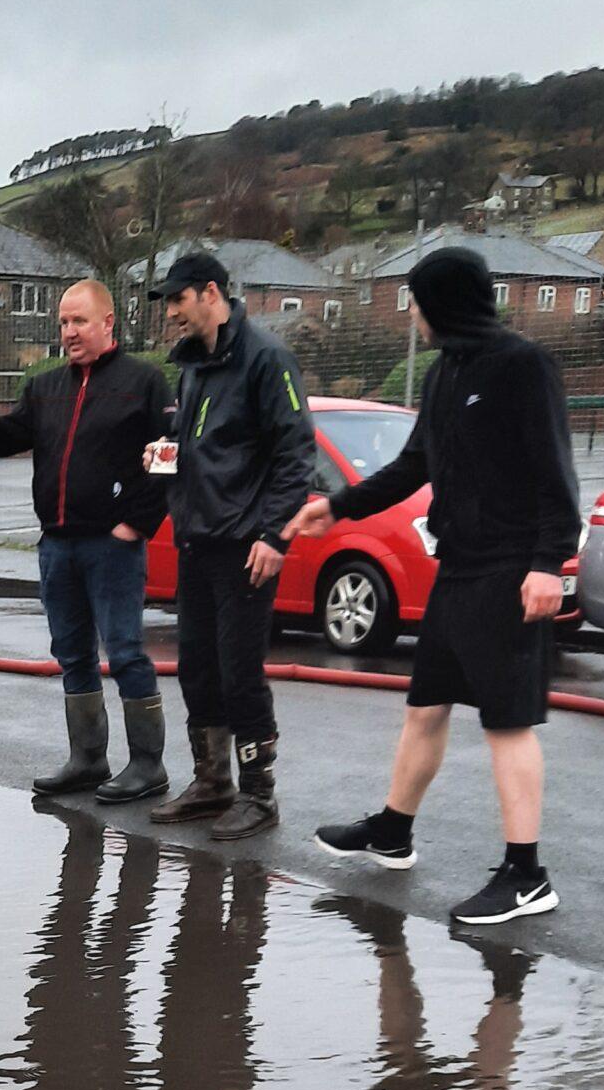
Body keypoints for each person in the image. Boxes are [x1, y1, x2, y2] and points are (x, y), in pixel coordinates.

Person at [302, 245, 580, 926]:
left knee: (507, 724)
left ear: (445, 302)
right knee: (425, 707)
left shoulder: (521, 366)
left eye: (420, 301)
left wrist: (549, 562)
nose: (415, 315)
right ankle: (393, 832)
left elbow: (556, 472)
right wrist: (338, 506)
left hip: (512, 571)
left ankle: (527, 875)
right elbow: (414, 464)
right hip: (457, 568)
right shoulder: (445, 373)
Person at [0, 282, 172, 801]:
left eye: (80, 322)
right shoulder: (46, 387)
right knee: (72, 653)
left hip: (113, 546)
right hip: (58, 546)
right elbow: (8, 438)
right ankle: (89, 759)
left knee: (125, 651)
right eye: (64, 323)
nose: (69, 332)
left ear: (108, 322)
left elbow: (169, 459)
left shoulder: (144, 383)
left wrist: (135, 525)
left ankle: (148, 765)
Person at [148, 253, 315, 839]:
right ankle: (212, 781)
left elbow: (297, 457)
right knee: (197, 665)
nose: (171, 313)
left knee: (240, 671)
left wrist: (275, 535)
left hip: (246, 546)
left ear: (210, 293)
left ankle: (259, 795)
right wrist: (162, 454)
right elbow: (188, 439)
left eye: (177, 300)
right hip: (197, 541)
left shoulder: (267, 359)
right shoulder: (193, 365)